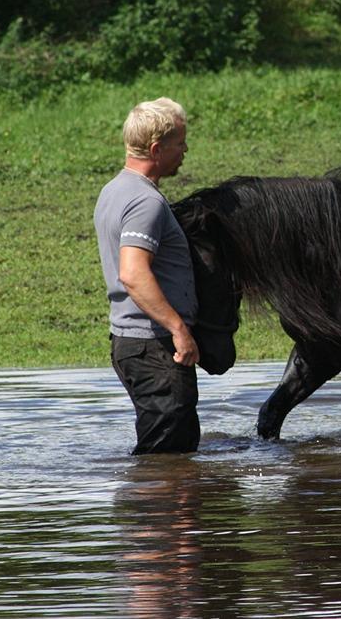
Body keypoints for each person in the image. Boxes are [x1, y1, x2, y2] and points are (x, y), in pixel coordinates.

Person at [95, 97, 200, 454]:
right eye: (180, 143)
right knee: (167, 459)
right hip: (154, 346)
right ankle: (158, 511)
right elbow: (133, 273)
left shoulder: (113, 191)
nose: (185, 150)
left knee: (168, 453)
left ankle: (156, 509)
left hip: (131, 344)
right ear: (156, 149)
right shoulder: (145, 202)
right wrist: (178, 329)